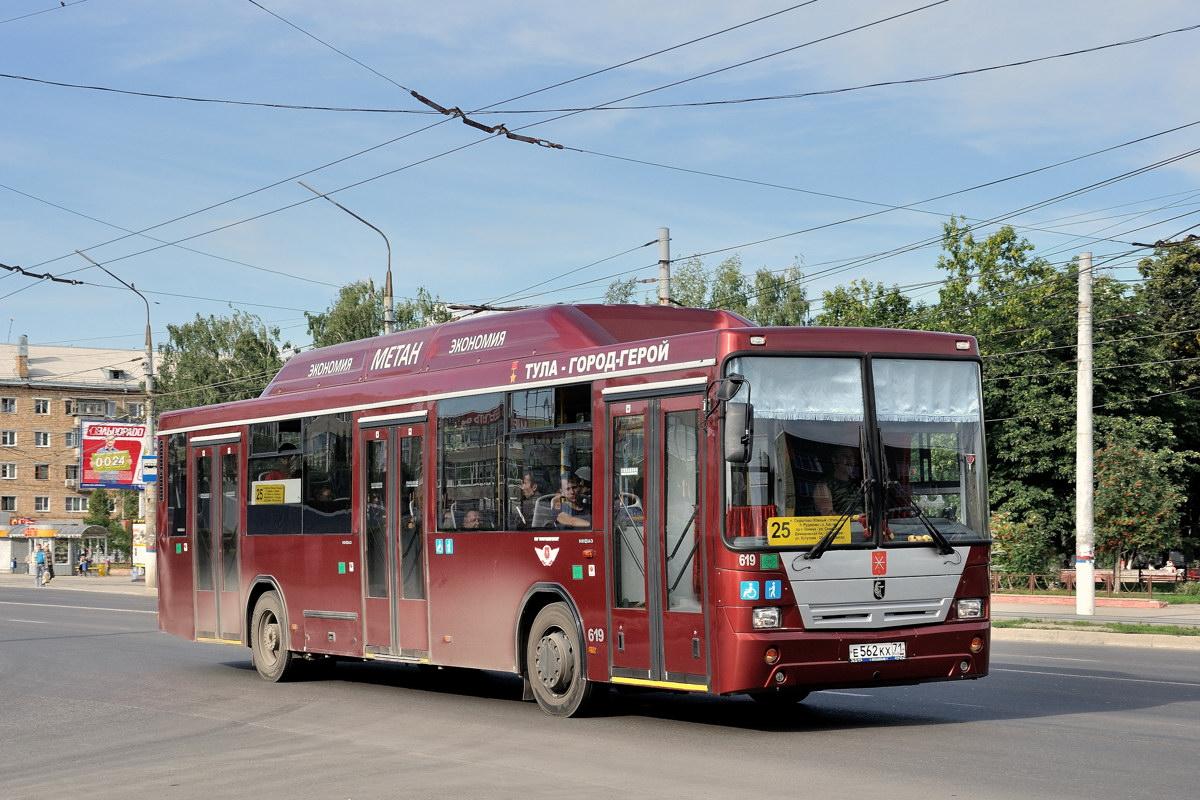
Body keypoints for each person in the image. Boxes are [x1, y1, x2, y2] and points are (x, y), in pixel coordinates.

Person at [813, 447, 862, 516]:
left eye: (851, 456)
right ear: (835, 460)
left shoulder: (860, 483)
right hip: (847, 525)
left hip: (870, 525)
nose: (849, 459)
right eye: (845, 456)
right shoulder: (824, 485)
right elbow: (828, 516)